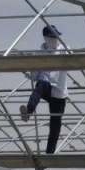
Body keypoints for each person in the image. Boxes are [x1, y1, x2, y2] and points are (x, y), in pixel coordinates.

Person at [19, 25, 69, 154]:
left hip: (59, 91)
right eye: (53, 37)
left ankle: (49, 153)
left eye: (57, 37)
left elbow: (77, 60)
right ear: (46, 38)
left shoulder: (65, 51)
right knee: (40, 85)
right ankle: (28, 112)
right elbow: (35, 76)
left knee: (55, 123)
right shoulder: (39, 53)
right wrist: (27, 71)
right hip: (46, 85)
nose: (55, 39)